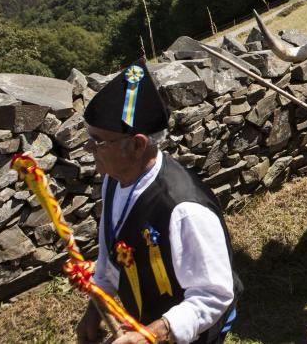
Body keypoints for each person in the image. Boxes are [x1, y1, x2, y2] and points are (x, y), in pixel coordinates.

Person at [77, 59, 240, 344]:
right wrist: (96, 305)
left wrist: (153, 333)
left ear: (137, 145)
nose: (89, 149)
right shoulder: (114, 181)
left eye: (98, 141)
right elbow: (111, 252)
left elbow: (215, 295)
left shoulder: (183, 208)